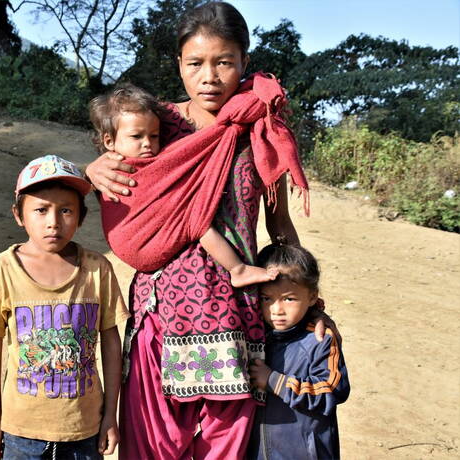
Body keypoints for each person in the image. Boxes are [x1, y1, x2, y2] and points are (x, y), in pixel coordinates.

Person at [86, 2, 334, 458]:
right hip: (162, 314)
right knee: (153, 443)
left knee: (224, 445)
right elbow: (116, 176)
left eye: (224, 62)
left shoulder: (261, 132)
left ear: (244, 62)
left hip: (236, 315)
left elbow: (279, 227)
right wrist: (92, 169)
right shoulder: (154, 127)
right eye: (195, 63)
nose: (210, 77)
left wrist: (308, 301)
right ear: (178, 65)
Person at [0, 155, 130, 460]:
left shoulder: (97, 269)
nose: (53, 221)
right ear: (19, 215)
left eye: (66, 210)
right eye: (40, 210)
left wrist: (110, 415)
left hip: (85, 429)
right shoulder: (3, 269)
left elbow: (110, 340)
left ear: (81, 216)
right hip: (21, 431)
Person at [89, 84, 279, 288]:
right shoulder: (109, 168)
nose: (147, 143)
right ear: (109, 141)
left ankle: (238, 269)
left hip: (162, 255)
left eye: (154, 136)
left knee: (193, 218)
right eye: (137, 137)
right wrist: (88, 171)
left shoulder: (163, 155)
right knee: (196, 222)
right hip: (132, 243)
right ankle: (237, 269)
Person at [248, 241, 350, 459]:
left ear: (312, 297)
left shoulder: (319, 339)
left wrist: (274, 381)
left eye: (289, 299)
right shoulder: (255, 334)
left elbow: (331, 391)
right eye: (267, 299)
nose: (277, 310)